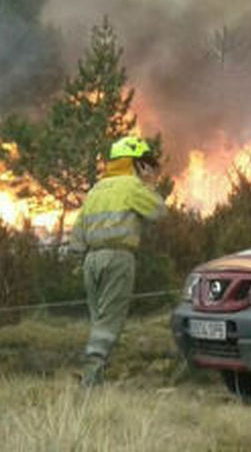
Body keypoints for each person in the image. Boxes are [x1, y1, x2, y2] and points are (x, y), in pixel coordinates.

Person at [72, 135, 167, 387]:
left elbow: (77, 234)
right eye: (144, 163)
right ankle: (90, 379)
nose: (148, 169)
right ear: (134, 164)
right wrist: (149, 185)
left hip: (91, 260)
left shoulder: (97, 189)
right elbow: (158, 212)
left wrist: (82, 259)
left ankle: (95, 378)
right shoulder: (131, 186)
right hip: (118, 257)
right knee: (110, 321)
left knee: (99, 319)